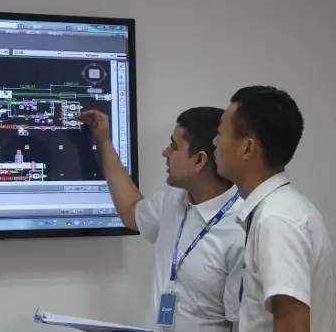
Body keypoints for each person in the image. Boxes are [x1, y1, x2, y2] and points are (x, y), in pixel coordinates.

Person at [79, 107, 244, 332]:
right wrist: (104, 141)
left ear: (199, 160)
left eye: (174, 146)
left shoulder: (241, 229)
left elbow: (245, 324)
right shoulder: (174, 200)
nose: (165, 152)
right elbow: (131, 211)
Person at [213, 85, 336, 332]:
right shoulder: (290, 208)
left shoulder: (276, 219)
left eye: (220, 133)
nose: (214, 142)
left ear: (248, 147)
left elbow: (293, 326)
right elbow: (334, 294)